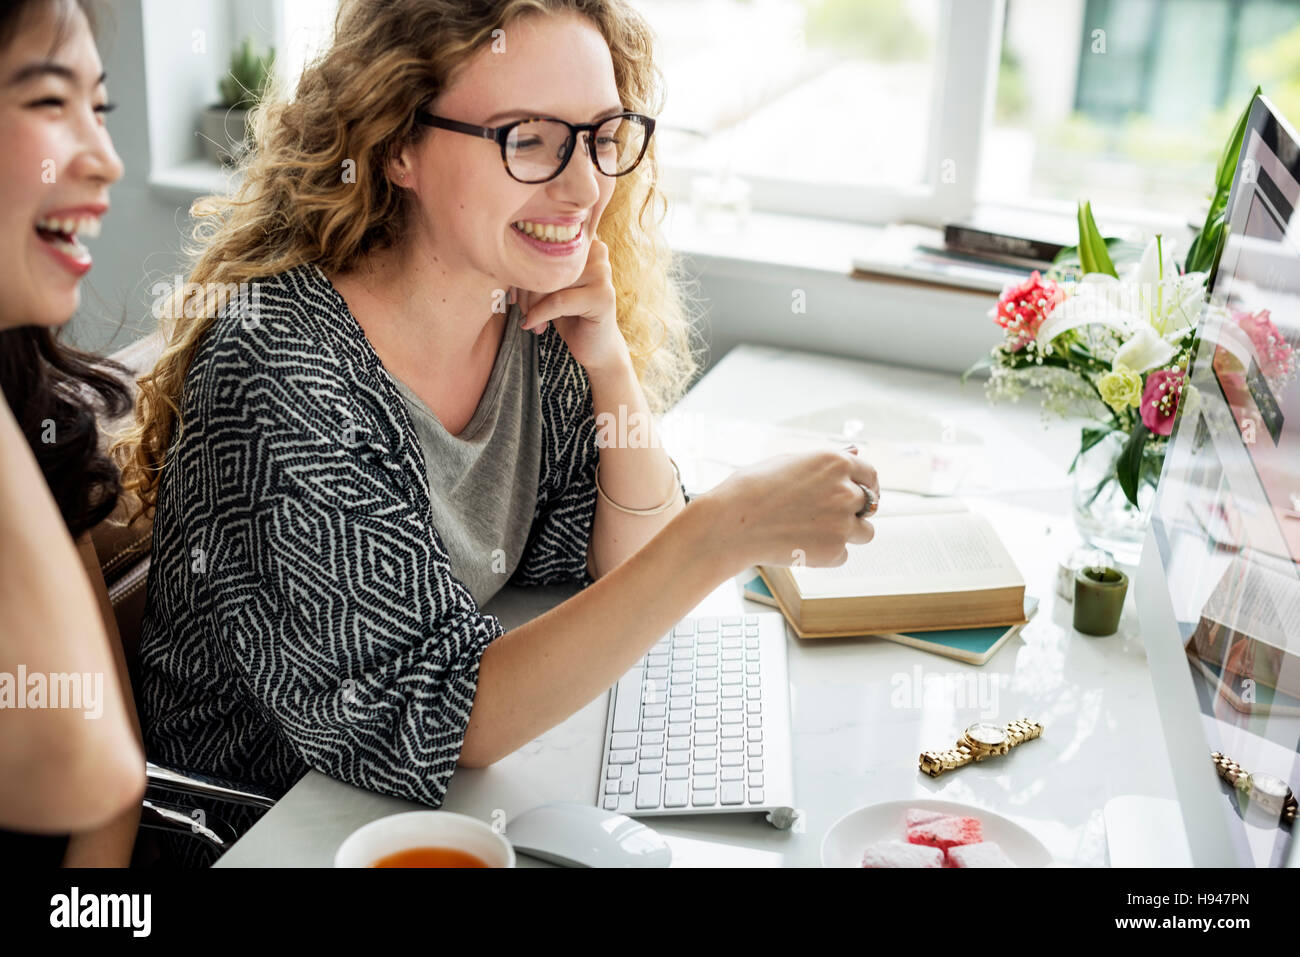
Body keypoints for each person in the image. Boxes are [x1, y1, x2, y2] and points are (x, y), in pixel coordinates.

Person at [117, 0, 877, 860]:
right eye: (529, 138)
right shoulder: (284, 370)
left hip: (409, 809)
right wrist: (722, 530)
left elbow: (620, 567)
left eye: (601, 134)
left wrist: (611, 362)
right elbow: (442, 712)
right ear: (397, 143)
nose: (585, 184)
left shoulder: (524, 308)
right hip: (262, 830)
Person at [0, 0, 143, 866]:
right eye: (52, 102)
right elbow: (80, 770)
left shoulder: (32, 407)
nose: (108, 158)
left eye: (101, 107)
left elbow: (107, 799)